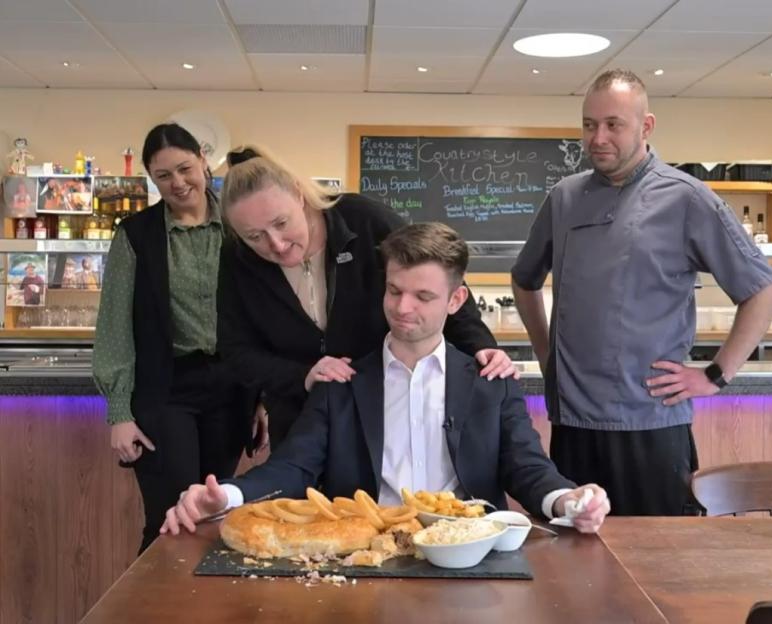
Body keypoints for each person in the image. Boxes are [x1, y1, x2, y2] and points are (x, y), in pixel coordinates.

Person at [162, 222, 610, 535]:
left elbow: (527, 467)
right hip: (364, 554)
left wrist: (567, 501)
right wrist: (227, 497)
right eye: (395, 291)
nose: (402, 308)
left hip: (469, 553)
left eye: (423, 296)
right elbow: (292, 467)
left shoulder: (490, 381)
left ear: (456, 300)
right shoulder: (342, 383)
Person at [511, 69, 772, 516]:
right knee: (574, 561)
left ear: (646, 126)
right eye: (589, 125)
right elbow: (525, 279)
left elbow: (765, 292)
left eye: (613, 125)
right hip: (574, 424)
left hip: (651, 426)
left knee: (659, 560)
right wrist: (547, 355)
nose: (598, 137)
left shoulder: (687, 199)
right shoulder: (564, 198)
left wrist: (715, 375)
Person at [216, 150, 517, 448]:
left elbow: (438, 277)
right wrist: (302, 376)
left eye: (281, 223)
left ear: (299, 194)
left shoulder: (364, 220)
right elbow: (236, 350)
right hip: (299, 415)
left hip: (381, 406)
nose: (277, 245)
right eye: (255, 237)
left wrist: (481, 346)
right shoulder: (237, 258)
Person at [92, 123, 265, 554]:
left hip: (231, 389)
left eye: (185, 168)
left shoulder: (237, 225)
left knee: (215, 515)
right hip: (166, 391)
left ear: (204, 161)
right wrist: (118, 412)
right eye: (163, 175)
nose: (178, 182)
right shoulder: (135, 236)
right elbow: (114, 325)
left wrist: (263, 396)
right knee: (171, 518)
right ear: (151, 179)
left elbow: (263, 314)